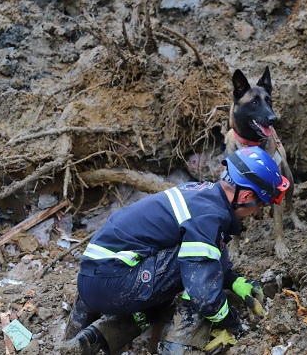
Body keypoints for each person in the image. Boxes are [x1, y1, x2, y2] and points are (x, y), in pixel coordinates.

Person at [61, 146, 290, 354]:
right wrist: (234, 324)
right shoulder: (210, 216)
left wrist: (235, 281)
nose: (256, 212)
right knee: (199, 278)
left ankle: (94, 337)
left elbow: (211, 252)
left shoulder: (200, 192)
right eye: (260, 204)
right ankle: (177, 346)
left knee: (172, 291)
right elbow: (203, 292)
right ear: (247, 196)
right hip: (113, 284)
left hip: (94, 278)